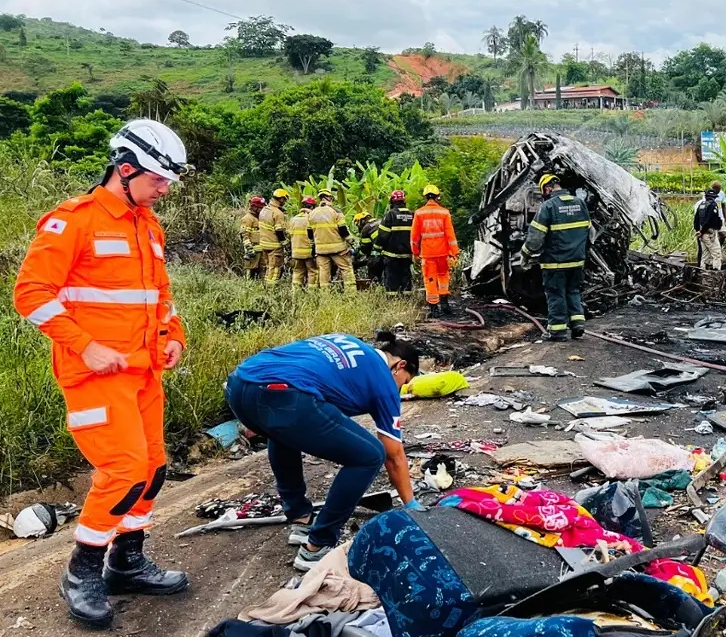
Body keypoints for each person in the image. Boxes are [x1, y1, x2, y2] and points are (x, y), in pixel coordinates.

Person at [13, 120, 190, 629]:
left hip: (143, 372)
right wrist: (85, 346)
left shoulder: (147, 225)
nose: (164, 190)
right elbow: (31, 294)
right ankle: (81, 571)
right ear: (126, 169)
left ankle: (126, 561)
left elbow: (160, 295)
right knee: (124, 470)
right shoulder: (74, 221)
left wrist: (173, 334)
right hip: (95, 375)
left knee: (153, 467)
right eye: (158, 180)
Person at [224, 331, 425, 572]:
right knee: (369, 455)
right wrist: (411, 504)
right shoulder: (383, 380)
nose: (401, 388)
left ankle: (300, 520)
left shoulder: (348, 341)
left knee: (282, 430)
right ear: (399, 365)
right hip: (284, 394)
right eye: (405, 381)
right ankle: (317, 546)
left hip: (239, 384)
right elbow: (394, 455)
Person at [521, 174, 591, 342]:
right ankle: (577, 325)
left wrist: (526, 254)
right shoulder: (580, 203)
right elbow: (589, 231)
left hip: (555, 262)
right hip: (577, 260)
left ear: (547, 189)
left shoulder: (548, 206)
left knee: (556, 294)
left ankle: (557, 331)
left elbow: (535, 238)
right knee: (573, 291)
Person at [411, 184, 459, 317]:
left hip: (427, 254)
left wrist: (415, 252)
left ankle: (434, 309)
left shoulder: (419, 213)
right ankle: (445, 304)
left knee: (430, 279)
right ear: (438, 196)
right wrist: (454, 252)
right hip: (443, 253)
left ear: (425, 197)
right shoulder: (444, 212)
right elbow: (450, 235)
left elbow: (414, 237)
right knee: (443, 277)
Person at [309, 190, 357, 293]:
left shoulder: (312, 213)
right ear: (329, 198)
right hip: (338, 249)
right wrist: (351, 241)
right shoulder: (336, 211)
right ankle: (351, 294)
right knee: (346, 269)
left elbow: (310, 233)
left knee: (324, 272)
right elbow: (343, 229)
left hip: (321, 249)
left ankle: (325, 296)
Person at [376, 190, 414, 295]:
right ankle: (407, 297)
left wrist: (377, 249)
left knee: (392, 277)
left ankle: (392, 299)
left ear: (392, 201)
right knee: (406, 276)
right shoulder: (412, 215)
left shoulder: (390, 215)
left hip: (392, 254)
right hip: (407, 254)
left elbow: (382, 235)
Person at [260, 189, 290, 284]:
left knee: (269, 267)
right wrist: (286, 244)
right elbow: (279, 231)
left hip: (264, 244)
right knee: (276, 268)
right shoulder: (277, 213)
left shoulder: (264, 209)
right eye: (284, 200)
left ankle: (266, 285)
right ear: (281, 199)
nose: (285, 202)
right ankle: (272, 289)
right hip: (274, 245)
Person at [289, 196, 318, 291]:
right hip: (309, 252)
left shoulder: (293, 219)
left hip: (296, 252)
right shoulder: (312, 218)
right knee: (313, 272)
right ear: (312, 207)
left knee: (297, 272)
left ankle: (296, 293)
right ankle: (312, 294)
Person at [694, 188, 724, 271]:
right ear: (713, 197)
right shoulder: (713, 205)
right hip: (710, 233)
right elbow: (709, 220)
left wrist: (698, 231)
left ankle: (703, 272)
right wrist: (702, 231)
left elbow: (696, 220)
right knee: (716, 254)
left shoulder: (701, 205)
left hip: (702, 234)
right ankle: (716, 272)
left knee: (705, 255)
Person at [353, 211, 383, 285]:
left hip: (380, 251)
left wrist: (357, 255)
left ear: (362, 220)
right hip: (392, 250)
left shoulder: (366, 228)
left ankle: (374, 284)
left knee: (372, 263)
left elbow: (365, 248)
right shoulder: (381, 220)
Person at [240, 196, 267, 280]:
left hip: (261, 250)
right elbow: (244, 235)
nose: (262, 210)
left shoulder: (259, 219)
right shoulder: (247, 219)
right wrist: (249, 249)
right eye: (260, 208)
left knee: (262, 272)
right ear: (254, 207)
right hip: (253, 251)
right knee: (251, 272)